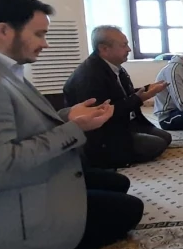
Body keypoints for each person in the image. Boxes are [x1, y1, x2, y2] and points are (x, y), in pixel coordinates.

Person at [0, 0, 144, 249]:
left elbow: (25, 124)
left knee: (117, 183)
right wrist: (74, 129)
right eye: (39, 34)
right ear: (3, 30)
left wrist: (67, 116)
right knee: (129, 210)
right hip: (11, 215)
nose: (45, 43)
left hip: (33, 180)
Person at [64, 26, 172, 168]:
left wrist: (147, 89)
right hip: (105, 135)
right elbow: (103, 112)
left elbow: (121, 94)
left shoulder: (115, 67)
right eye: (124, 45)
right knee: (157, 144)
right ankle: (111, 159)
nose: (129, 49)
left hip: (126, 124)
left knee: (166, 137)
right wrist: (140, 99)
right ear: (104, 49)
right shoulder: (89, 75)